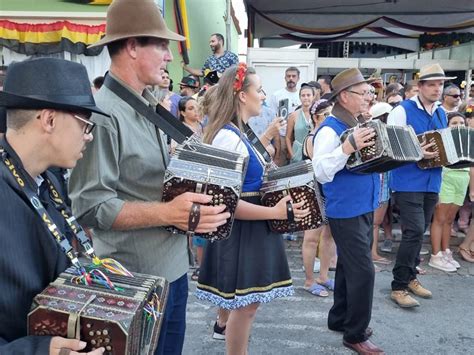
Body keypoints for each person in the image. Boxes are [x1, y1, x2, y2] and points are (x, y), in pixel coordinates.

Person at [68, 1, 231, 354]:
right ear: (131, 47)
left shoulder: (145, 105)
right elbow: (90, 206)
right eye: (160, 45)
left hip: (171, 272)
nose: (169, 56)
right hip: (135, 281)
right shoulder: (104, 115)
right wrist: (170, 213)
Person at [196, 63, 309, 354]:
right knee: (245, 305)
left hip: (251, 229)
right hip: (243, 230)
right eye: (258, 90)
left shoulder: (237, 133)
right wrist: (273, 212)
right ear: (242, 96)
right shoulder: (228, 137)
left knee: (247, 304)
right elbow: (224, 203)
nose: (263, 95)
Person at [0, 57, 106, 354]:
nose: (89, 136)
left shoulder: (50, 180)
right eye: (86, 123)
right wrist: (39, 350)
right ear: (49, 120)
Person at [312, 68, 384, 354]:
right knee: (364, 271)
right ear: (344, 96)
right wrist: (346, 148)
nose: (369, 97)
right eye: (364, 93)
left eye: (369, 93)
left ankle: (339, 318)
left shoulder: (353, 122)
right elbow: (320, 170)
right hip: (346, 209)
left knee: (348, 267)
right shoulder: (330, 129)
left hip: (362, 205)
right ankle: (354, 334)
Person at [387, 63, 455, 308]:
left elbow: (443, 145)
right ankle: (398, 285)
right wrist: (418, 153)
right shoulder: (401, 110)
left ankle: (411, 277)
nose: (438, 89)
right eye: (433, 84)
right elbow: (392, 147)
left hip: (432, 180)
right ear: (420, 86)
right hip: (407, 180)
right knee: (414, 230)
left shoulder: (441, 112)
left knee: (419, 232)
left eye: (441, 84)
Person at [429, 112, 468, 272]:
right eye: (454, 123)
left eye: (461, 123)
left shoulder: (468, 142)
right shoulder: (442, 142)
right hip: (446, 178)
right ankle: (435, 255)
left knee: (450, 220)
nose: (458, 126)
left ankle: (445, 252)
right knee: (440, 218)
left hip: (462, 178)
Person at [368, 102, 394, 265]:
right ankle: (372, 253)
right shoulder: (375, 134)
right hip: (379, 179)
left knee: (376, 222)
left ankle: (372, 252)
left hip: (384, 179)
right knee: (374, 223)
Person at [269, 67, 302, 166]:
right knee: (281, 167)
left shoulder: (302, 95)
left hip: (298, 137)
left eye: (293, 76)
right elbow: (273, 118)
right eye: (288, 76)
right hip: (282, 136)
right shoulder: (277, 95)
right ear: (285, 78)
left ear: (298, 78)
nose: (291, 78)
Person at [286, 85, 315, 163]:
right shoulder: (293, 115)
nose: (306, 98)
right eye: (303, 95)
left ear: (313, 96)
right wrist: (292, 154)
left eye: (308, 95)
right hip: (297, 153)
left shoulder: (318, 114)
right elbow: (288, 137)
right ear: (300, 97)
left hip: (313, 152)